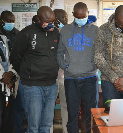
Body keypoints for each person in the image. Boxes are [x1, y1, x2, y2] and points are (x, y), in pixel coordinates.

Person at [10, 6, 59, 132]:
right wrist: (27, 72)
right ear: (38, 19)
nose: (50, 24)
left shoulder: (55, 32)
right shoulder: (26, 33)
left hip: (51, 85)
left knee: (47, 125)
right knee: (33, 126)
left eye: (52, 21)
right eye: (47, 21)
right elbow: (15, 57)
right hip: (32, 87)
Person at [57, 2, 99, 133]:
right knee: (72, 114)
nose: (80, 19)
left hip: (90, 78)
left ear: (87, 14)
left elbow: (101, 52)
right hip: (71, 79)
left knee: (91, 113)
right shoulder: (65, 30)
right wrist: (66, 67)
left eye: (83, 16)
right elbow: (59, 53)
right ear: (73, 15)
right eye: (78, 16)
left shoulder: (95, 30)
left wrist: (94, 66)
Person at [0, 10, 19, 133]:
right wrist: (3, 75)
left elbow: (16, 57)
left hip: (9, 83)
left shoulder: (16, 35)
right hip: (2, 80)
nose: (11, 24)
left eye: (13, 21)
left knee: (8, 115)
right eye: (8, 21)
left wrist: (11, 75)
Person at [53, 8, 68, 133]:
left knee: (66, 107)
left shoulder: (70, 33)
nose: (66, 20)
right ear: (55, 20)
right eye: (63, 18)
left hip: (66, 77)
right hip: (51, 78)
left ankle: (66, 130)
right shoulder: (50, 34)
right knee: (48, 108)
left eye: (66, 17)